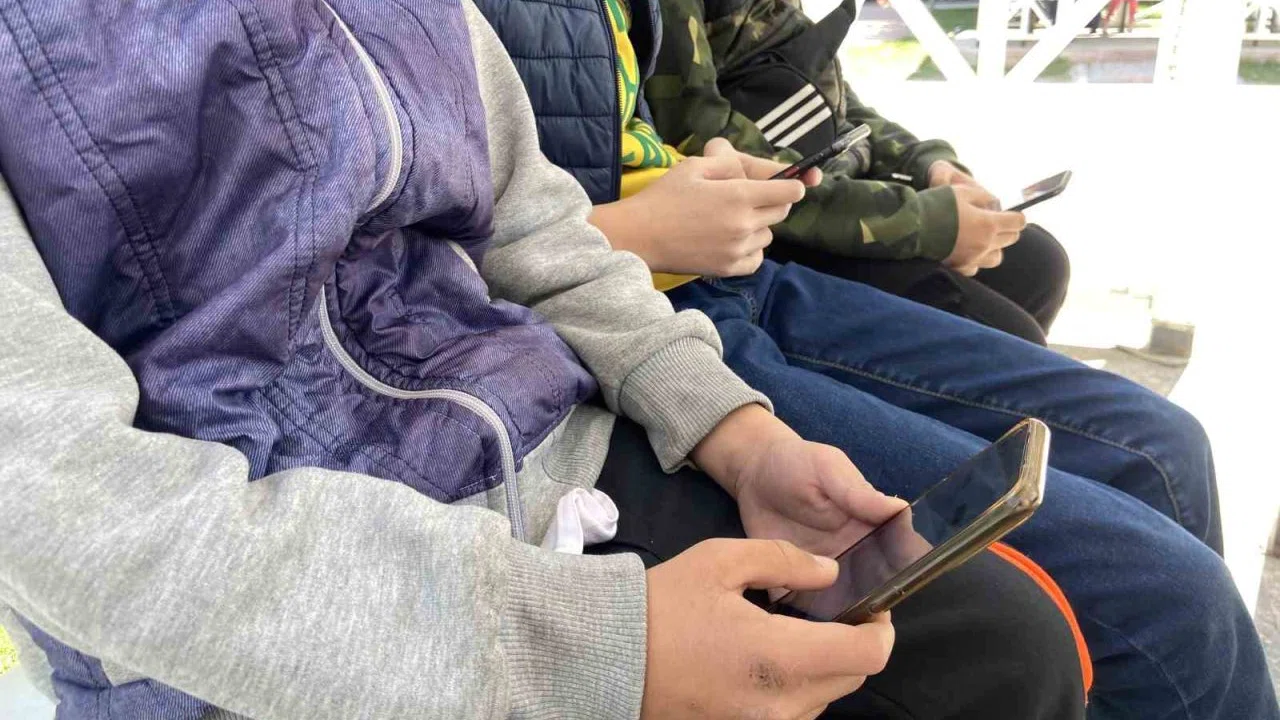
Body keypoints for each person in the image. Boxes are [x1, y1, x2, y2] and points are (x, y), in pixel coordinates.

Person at [0, 2, 1089, 719]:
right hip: (276, 625)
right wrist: (583, 651)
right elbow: (64, 510)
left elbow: (529, 223)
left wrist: (732, 428)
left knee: (1000, 644)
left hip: (558, 440)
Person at [467, 0, 1280, 716]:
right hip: (620, 328)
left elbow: (774, 110)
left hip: (703, 290)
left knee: (1159, 456)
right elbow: (468, 254)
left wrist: (746, 438)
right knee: (1127, 609)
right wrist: (923, 222)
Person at [641, 0, 1070, 345]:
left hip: (834, 193)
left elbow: (836, 103)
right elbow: (703, 140)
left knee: (1037, 263)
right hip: (768, 234)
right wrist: (923, 222)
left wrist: (928, 163)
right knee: (1009, 337)